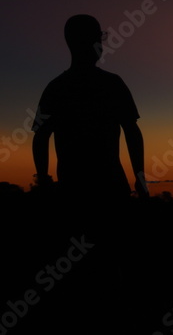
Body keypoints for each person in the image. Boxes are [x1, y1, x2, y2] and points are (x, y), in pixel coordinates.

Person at [32, 14, 149, 206]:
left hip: (72, 191)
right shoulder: (113, 84)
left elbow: (41, 137)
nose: (101, 44)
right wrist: (140, 177)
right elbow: (131, 132)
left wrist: (43, 181)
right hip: (110, 190)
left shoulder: (55, 88)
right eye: (98, 38)